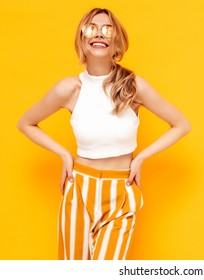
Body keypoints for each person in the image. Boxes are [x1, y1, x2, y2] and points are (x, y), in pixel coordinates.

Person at [17, 8, 191, 260]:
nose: (99, 33)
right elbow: (26, 123)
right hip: (79, 188)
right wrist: (63, 153)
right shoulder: (69, 88)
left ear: (116, 41)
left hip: (121, 190)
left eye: (107, 28)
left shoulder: (132, 86)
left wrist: (140, 158)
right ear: (81, 39)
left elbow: (181, 124)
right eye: (91, 28)